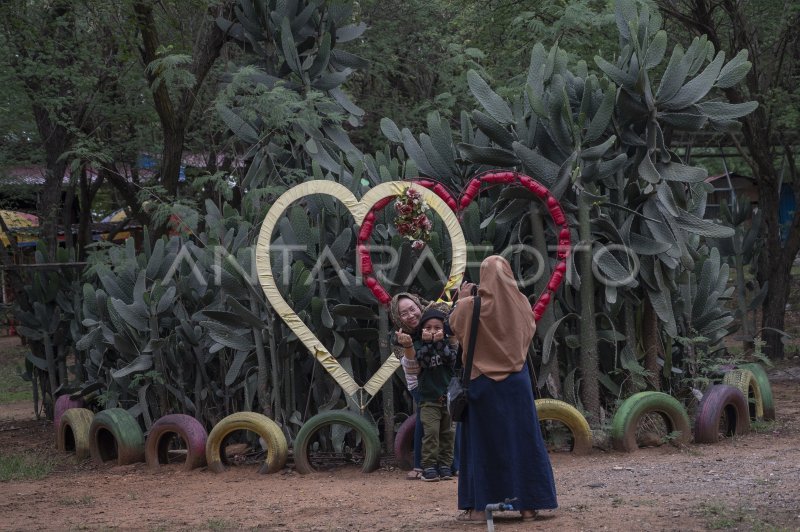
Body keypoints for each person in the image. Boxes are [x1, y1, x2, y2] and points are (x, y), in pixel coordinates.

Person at [448, 255, 557, 522]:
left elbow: (454, 329)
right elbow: (528, 332)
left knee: (481, 443)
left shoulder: (470, 306)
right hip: (516, 382)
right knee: (521, 440)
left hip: (481, 383)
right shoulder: (521, 303)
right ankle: (528, 507)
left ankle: (478, 509)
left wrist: (463, 299)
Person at [405, 307, 456, 481]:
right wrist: (428, 343)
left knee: (448, 434)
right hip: (428, 399)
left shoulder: (448, 344)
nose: (433, 331)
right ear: (421, 330)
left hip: (447, 399)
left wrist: (440, 343)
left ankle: (445, 466)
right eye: (428, 327)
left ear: (444, 329)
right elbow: (423, 361)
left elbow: (450, 359)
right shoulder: (418, 345)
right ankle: (429, 467)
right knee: (431, 433)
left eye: (437, 327)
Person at [390, 293, 426, 480]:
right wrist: (408, 346)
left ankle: (455, 464)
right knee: (424, 417)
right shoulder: (398, 338)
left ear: (419, 306)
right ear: (398, 318)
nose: (411, 315)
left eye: (413, 309)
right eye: (403, 313)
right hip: (419, 384)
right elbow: (413, 369)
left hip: (443, 379)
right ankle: (419, 464)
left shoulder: (434, 322)